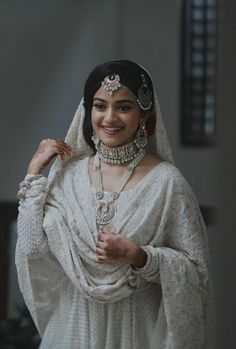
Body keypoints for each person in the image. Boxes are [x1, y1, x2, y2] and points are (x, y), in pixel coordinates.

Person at [16, 60, 213, 348]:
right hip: (73, 330)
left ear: (144, 113)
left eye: (123, 107)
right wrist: (34, 174)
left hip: (136, 331)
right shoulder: (69, 175)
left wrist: (141, 257)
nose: (109, 118)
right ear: (88, 110)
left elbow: (196, 274)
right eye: (100, 105)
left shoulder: (167, 183)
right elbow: (32, 247)